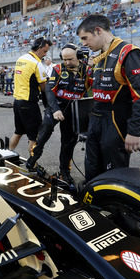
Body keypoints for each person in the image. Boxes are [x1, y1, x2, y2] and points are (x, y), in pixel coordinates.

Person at [77, 14, 140, 181]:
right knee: (91, 169)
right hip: (95, 120)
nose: (83, 44)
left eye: (85, 38)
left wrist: (135, 130)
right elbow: (86, 87)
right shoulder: (97, 58)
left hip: (115, 122)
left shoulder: (128, 52)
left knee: (114, 175)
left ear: (98, 31)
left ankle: (113, 206)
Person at [25, 44, 93, 185]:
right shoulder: (58, 69)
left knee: (68, 143)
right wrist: (55, 109)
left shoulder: (87, 71)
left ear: (79, 57)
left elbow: (96, 86)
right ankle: (32, 159)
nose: (67, 63)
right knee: (44, 133)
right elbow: (49, 90)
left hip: (73, 110)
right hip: (55, 107)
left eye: (71, 59)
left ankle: (64, 172)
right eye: (65, 59)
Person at [9, 37, 52, 154]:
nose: (45, 54)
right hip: (29, 103)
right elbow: (44, 87)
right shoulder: (36, 63)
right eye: (45, 51)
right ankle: (32, 163)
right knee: (34, 136)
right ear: (39, 48)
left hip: (17, 101)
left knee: (18, 132)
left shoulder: (20, 59)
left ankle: (8, 153)